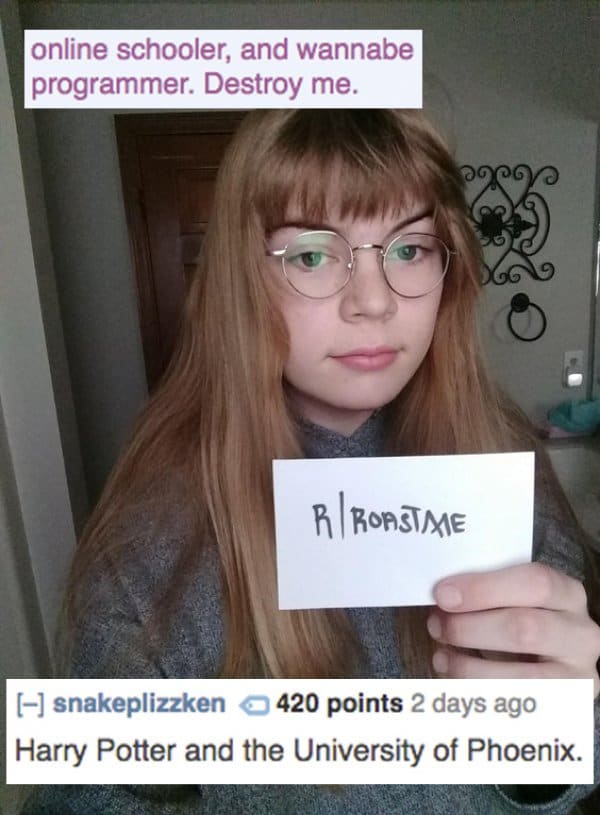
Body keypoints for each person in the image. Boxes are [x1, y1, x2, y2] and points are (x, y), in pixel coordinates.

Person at [22, 109, 600, 814]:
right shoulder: (150, 545)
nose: (374, 302)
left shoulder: (505, 466)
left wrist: (555, 736)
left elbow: (565, 763)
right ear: (243, 280)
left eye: (409, 248)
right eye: (312, 255)